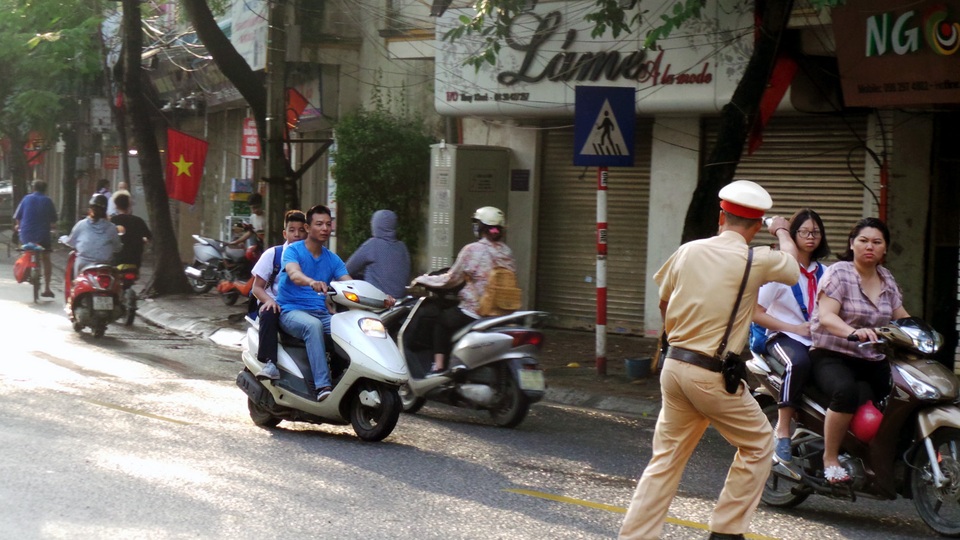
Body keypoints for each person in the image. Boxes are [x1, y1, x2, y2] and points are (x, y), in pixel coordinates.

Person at [619, 180, 800, 540]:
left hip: (673, 368)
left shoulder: (688, 251)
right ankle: (727, 531)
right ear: (755, 224)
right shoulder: (756, 259)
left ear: (721, 216)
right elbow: (793, 269)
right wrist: (781, 231)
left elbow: (664, 302)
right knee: (760, 443)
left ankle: (636, 536)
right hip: (711, 376)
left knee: (666, 459)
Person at [810, 217, 909, 485]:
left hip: (873, 356)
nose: (870, 247)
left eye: (877, 242)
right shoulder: (838, 273)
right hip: (832, 354)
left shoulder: (886, 278)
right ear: (852, 244)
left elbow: (901, 317)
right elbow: (827, 317)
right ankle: (830, 459)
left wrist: (919, 334)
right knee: (846, 392)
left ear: (885, 248)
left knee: (904, 395)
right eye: (863, 240)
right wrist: (852, 332)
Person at [752, 208, 830, 467]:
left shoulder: (826, 273)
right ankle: (783, 430)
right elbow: (755, 312)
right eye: (804, 232)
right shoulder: (781, 269)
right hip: (782, 336)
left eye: (816, 232)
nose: (811, 237)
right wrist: (794, 328)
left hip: (817, 340)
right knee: (798, 364)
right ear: (792, 235)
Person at [413, 206, 515, 375]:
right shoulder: (507, 252)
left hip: (476, 310)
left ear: (480, 227)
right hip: (503, 311)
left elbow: (450, 279)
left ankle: (438, 366)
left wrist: (421, 279)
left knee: (441, 323)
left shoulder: (473, 250)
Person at [275, 205, 352, 401]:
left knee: (348, 328)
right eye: (319, 224)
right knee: (313, 326)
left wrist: (381, 297)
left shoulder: (332, 259)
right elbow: (294, 273)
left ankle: (346, 381)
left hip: (321, 312)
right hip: (290, 312)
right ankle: (322, 386)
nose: (325, 228)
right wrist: (311, 282)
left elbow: (350, 284)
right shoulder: (293, 251)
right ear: (308, 228)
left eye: (328, 224)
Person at [251, 210, 307, 380]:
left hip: (300, 305)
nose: (296, 234)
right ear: (285, 233)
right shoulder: (273, 254)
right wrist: (269, 301)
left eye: (301, 230)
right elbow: (257, 288)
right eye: (292, 230)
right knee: (269, 313)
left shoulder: (314, 256)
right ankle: (270, 363)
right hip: (275, 301)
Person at [346, 209, 411, 298]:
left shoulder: (373, 244)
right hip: (399, 301)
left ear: (376, 225)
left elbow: (347, 269)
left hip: (377, 300)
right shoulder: (402, 247)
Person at [13, 180, 58, 298]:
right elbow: (53, 221)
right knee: (46, 257)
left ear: (34, 188)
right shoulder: (48, 200)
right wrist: (52, 228)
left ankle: (27, 271)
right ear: (45, 189)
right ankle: (47, 288)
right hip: (43, 236)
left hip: (26, 235)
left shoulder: (26, 199)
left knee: (26, 251)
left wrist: (18, 226)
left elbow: (18, 217)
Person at [64, 194, 122, 276]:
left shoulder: (81, 224)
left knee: (76, 283)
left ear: (90, 209)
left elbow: (71, 242)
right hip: (105, 266)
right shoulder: (111, 227)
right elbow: (117, 247)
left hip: (83, 264)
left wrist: (64, 239)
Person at [110, 191, 152, 268]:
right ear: (129, 205)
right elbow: (148, 236)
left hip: (116, 260)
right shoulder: (138, 221)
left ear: (116, 206)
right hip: (135, 260)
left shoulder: (112, 221)